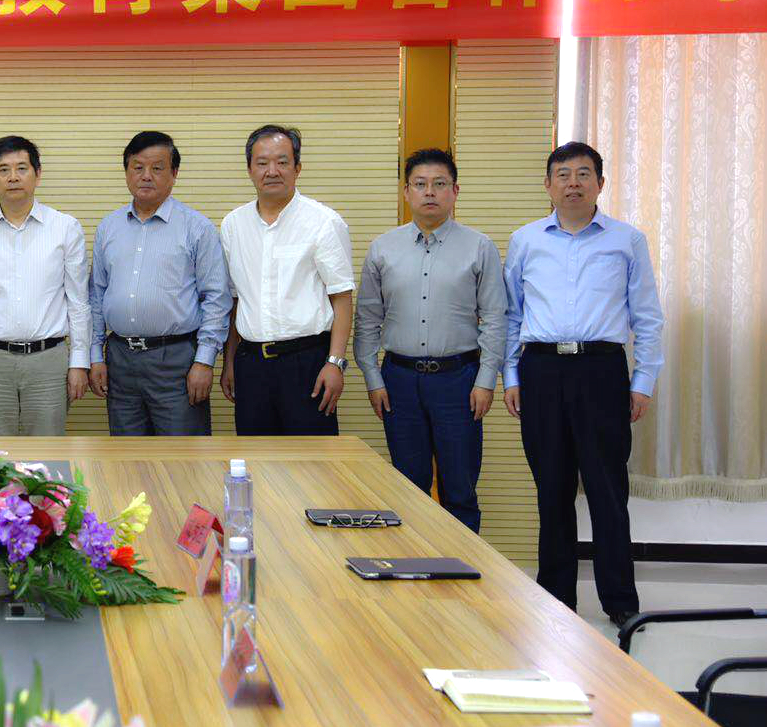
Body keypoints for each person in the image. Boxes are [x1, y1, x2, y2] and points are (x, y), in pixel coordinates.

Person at [503, 141, 664, 628]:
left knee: (607, 489)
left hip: (601, 370)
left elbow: (648, 317)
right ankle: (556, 597)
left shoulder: (626, 240)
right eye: (563, 174)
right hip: (542, 370)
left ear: (600, 182)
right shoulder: (525, 240)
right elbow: (512, 315)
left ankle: (620, 600)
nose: (573, 183)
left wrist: (643, 381)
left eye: (583, 173)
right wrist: (511, 375)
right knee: (551, 489)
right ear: (548, 185)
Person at [354, 148, 505, 532]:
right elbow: (367, 319)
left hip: (459, 380)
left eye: (440, 184)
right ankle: (412, 563)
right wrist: (373, 378)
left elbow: (494, 318)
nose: (430, 192)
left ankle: (462, 565)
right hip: (399, 380)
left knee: (460, 490)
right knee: (408, 489)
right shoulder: (382, 248)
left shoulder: (479, 247)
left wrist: (486, 380)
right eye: (420, 184)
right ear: (406, 191)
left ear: (455, 191)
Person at [88, 131, 230, 435]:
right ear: (126, 172)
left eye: (157, 168)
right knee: (127, 456)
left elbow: (216, 299)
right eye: (138, 167)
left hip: (177, 361)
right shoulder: (108, 228)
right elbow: (97, 297)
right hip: (120, 360)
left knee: (183, 456)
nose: (146, 176)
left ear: (174, 173)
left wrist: (204, 362)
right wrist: (95, 356)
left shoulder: (197, 228)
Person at [218, 124, 354, 436]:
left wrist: (335, 363)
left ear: (297, 168)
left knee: (312, 459)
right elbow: (236, 301)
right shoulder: (233, 225)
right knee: (255, 456)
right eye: (262, 162)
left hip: (307, 363)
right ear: (249, 169)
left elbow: (342, 299)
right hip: (251, 364)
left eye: (282, 162)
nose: (272, 171)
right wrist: (230, 362)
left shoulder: (323, 222)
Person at [0, 135, 91, 435]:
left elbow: (78, 301)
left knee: (47, 454)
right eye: (3, 169)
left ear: (37, 174)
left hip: (49, 360)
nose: (13, 177)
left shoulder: (65, 227)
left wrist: (79, 363)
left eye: (21, 168)